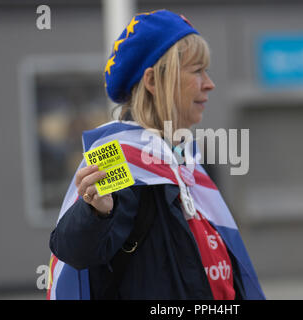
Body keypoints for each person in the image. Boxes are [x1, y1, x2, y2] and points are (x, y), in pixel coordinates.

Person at [48, 9, 265, 300]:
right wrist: (96, 212)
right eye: (197, 71)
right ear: (152, 81)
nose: (209, 83)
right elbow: (75, 251)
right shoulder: (117, 156)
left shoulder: (192, 157)